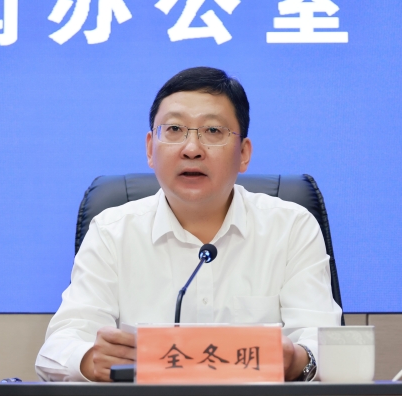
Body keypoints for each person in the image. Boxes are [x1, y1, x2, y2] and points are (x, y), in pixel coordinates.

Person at [35, 67, 342, 382]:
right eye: (174, 129)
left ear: (244, 154)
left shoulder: (291, 228)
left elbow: (326, 344)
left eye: (213, 131)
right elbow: (57, 347)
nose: (192, 149)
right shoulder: (112, 232)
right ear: (150, 149)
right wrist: (90, 360)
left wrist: (298, 360)